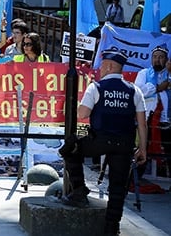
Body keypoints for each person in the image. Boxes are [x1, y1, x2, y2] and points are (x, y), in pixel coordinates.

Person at [59, 47, 146, 236]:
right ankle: (111, 228)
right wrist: (143, 150)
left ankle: (79, 190)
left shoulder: (96, 87)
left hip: (100, 140)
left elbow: (83, 114)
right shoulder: (134, 90)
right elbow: (142, 124)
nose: (99, 69)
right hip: (124, 144)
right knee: (118, 186)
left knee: (69, 149)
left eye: (102, 65)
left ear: (109, 66)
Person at [134, 44, 170, 127]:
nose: (157, 60)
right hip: (147, 118)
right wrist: (157, 88)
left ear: (167, 60)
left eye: (161, 57)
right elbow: (138, 92)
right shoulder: (144, 73)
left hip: (167, 120)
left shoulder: (169, 74)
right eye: (154, 57)